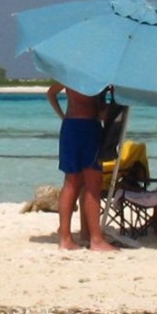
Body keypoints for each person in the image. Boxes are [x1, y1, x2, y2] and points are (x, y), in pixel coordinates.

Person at [46, 80, 117, 252]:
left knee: (71, 182)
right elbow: (101, 113)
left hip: (70, 126)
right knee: (93, 184)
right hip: (88, 128)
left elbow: (51, 93)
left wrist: (63, 116)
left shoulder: (69, 74)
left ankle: (66, 238)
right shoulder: (97, 78)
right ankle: (96, 240)